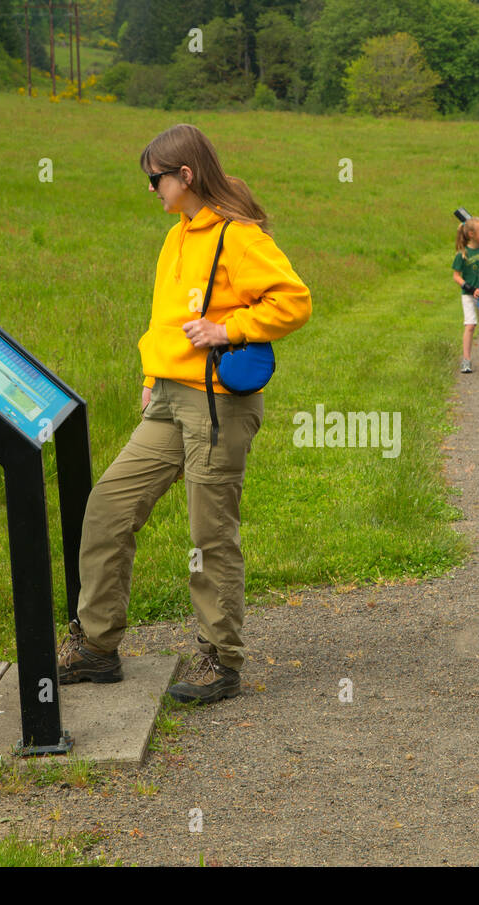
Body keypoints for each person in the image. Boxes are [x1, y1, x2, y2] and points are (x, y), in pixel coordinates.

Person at [57, 123, 311, 705]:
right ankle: (97, 648)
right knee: (108, 508)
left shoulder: (237, 236)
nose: (152, 190)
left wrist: (230, 328)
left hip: (219, 404)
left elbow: (294, 300)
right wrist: (152, 379)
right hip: (170, 398)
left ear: (185, 175)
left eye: (156, 179)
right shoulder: (176, 236)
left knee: (209, 535)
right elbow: (166, 318)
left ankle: (219, 661)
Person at [451, 217, 479, 372]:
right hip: (469, 295)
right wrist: (470, 288)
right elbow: (456, 276)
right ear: (471, 234)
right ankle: (466, 360)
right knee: (470, 325)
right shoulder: (462, 254)